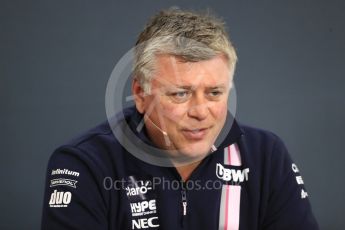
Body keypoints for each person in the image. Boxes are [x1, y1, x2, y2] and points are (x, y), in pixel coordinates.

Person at [41, 8, 319, 230]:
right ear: (140, 93)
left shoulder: (266, 156)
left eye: (214, 92)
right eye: (180, 93)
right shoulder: (85, 164)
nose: (200, 111)